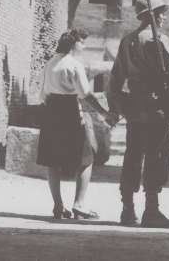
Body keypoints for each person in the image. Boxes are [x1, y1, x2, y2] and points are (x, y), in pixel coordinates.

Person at [106, 0, 169, 228]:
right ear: (154, 16)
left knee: (132, 156)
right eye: (161, 13)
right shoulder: (160, 40)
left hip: (134, 107)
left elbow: (115, 79)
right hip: (157, 107)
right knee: (156, 157)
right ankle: (151, 211)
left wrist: (116, 108)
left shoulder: (127, 40)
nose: (163, 17)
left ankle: (127, 211)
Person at [37, 28, 113, 220]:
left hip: (51, 112)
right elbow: (85, 94)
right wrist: (104, 113)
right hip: (70, 111)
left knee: (52, 161)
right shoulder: (74, 65)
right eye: (81, 42)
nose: (84, 45)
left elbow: (44, 95)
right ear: (74, 44)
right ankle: (79, 204)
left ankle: (58, 206)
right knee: (86, 159)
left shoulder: (49, 63)